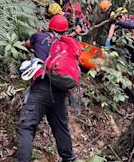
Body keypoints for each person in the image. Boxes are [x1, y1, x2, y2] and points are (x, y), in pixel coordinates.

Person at [16, 15, 77, 162]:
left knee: (26, 127)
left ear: (49, 26)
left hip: (41, 87)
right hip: (61, 91)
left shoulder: (39, 36)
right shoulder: (68, 44)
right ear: (65, 30)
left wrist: (37, 38)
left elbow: (26, 45)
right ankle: (68, 159)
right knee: (61, 128)